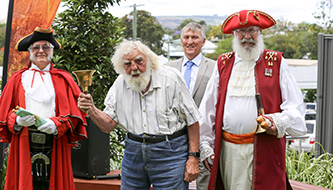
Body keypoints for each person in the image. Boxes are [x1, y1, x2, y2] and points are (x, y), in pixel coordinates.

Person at [199, 10, 307, 190]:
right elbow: (207, 110)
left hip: (265, 152)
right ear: (234, 35)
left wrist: (276, 122)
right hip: (229, 153)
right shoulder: (223, 63)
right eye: (241, 32)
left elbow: (295, 108)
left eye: (252, 30)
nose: (246, 36)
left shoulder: (276, 62)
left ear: (260, 32)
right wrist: (206, 146)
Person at [77, 40, 201, 190]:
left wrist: (193, 158)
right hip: (133, 153)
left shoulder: (171, 79)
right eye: (127, 64)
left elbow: (192, 121)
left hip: (170, 154)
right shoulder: (120, 84)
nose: (134, 68)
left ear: (149, 60)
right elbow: (108, 125)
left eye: (138, 61)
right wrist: (91, 109)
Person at [0, 27, 87, 190]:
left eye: (46, 47)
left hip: (55, 143)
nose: (41, 51)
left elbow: (74, 115)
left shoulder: (64, 79)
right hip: (23, 142)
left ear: (52, 51)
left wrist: (57, 125)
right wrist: (16, 120)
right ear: (29, 51)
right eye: (36, 47)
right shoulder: (17, 79)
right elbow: (4, 115)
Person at [165, 22, 215, 190]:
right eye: (186, 37)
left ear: (203, 41)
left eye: (195, 37)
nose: (190, 41)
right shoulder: (167, 69)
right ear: (181, 41)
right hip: (174, 141)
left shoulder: (216, 68)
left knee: (206, 185)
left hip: (204, 139)